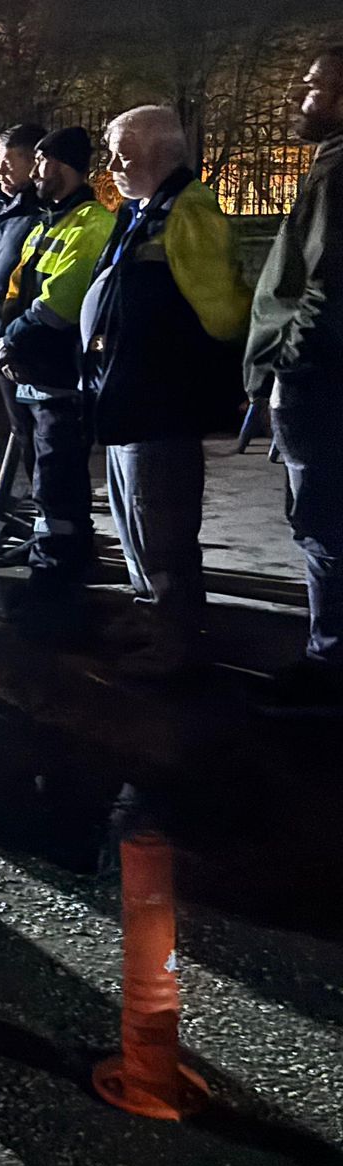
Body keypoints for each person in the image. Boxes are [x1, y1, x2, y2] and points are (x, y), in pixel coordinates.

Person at [80, 107, 250, 675]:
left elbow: (224, 314)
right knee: (135, 517)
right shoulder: (146, 212)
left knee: (163, 521)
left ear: (158, 156)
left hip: (161, 401)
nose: (112, 167)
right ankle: (150, 610)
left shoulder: (189, 212)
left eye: (122, 155)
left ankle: (176, 638)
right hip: (134, 395)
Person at [246, 44, 343, 713]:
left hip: (319, 387)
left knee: (321, 525)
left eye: (313, 87)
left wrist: (286, 362)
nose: (299, 98)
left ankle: (329, 664)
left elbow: (325, 287)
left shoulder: (339, 171)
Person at [0, 127, 115, 602]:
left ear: (59, 165)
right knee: (45, 470)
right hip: (34, 372)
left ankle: (62, 560)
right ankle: (51, 547)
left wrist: (7, 342)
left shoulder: (89, 223)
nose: (33, 172)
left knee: (59, 471)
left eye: (40, 162)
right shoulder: (52, 222)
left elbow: (59, 303)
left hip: (60, 373)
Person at [0, 122, 46, 550]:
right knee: (19, 433)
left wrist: (8, 339)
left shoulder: (34, 214)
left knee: (35, 440)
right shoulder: (12, 212)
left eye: (7, 162)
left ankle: (50, 531)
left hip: (17, 350)